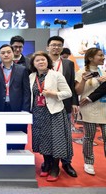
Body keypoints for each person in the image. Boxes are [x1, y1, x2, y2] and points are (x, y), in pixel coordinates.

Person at [29, 51, 73, 182]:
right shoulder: (31, 76)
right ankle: (46, 163)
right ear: (33, 64)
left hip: (54, 113)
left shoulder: (56, 75)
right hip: (37, 113)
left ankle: (55, 167)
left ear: (48, 61)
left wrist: (53, 94)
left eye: (43, 60)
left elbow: (68, 93)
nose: (41, 62)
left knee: (56, 140)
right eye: (37, 60)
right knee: (42, 139)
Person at [46, 35, 78, 177]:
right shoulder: (41, 62)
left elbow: (71, 85)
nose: (56, 47)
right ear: (48, 47)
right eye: (53, 45)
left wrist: (74, 102)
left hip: (64, 104)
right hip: (45, 105)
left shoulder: (68, 64)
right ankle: (48, 162)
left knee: (65, 135)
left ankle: (66, 163)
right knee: (47, 135)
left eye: (59, 45)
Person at [75, 48, 106, 176]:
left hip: (103, 108)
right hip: (88, 108)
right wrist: (83, 80)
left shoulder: (102, 71)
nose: (103, 57)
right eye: (100, 55)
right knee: (89, 137)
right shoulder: (81, 71)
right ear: (91, 58)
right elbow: (77, 91)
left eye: (103, 55)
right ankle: (88, 162)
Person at [0, 44, 30, 150]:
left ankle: (18, 156)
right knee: (2, 134)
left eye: (8, 52)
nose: (6, 55)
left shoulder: (22, 70)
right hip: (0, 107)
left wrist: (25, 109)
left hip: (17, 108)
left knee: (18, 134)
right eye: (3, 53)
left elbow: (26, 91)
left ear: (13, 53)